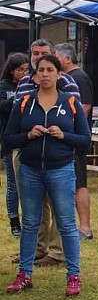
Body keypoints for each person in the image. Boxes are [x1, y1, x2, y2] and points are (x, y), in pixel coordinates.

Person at [4, 54, 91, 296]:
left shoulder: (71, 103)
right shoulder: (23, 103)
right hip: (30, 169)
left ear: (58, 74)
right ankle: (24, 274)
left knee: (66, 223)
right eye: (40, 70)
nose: (44, 74)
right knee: (30, 223)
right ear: (35, 75)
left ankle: (73, 275)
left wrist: (64, 136)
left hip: (61, 170)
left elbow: (85, 141)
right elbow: (8, 138)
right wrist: (28, 135)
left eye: (49, 69)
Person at [16, 38, 81, 268]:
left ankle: (56, 252)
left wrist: (62, 134)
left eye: (44, 54)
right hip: (28, 156)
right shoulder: (23, 83)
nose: (38, 59)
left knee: (61, 210)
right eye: (35, 54)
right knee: (32, 209)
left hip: (59, 157)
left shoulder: (69, 84)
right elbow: (15, 122)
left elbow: (77, 119)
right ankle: (35, 250)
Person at [55, 43, 94, 240]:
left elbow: (84, 107)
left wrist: (68, 127)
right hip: (68, 138)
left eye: (56, 57)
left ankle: (85, 228)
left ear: (67, 59)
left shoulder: (79, 78)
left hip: (76, 138)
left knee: (79, 183)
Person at [0, 52, 28, 237]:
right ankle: (13, 221)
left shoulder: (30, 86)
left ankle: (29, 220)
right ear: (11, 71)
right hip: (9, 138)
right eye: (20, 70)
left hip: (26, 138)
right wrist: (16, 99)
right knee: (12, 183)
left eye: (26, 69)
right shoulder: (4, 86)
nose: (24, 73)